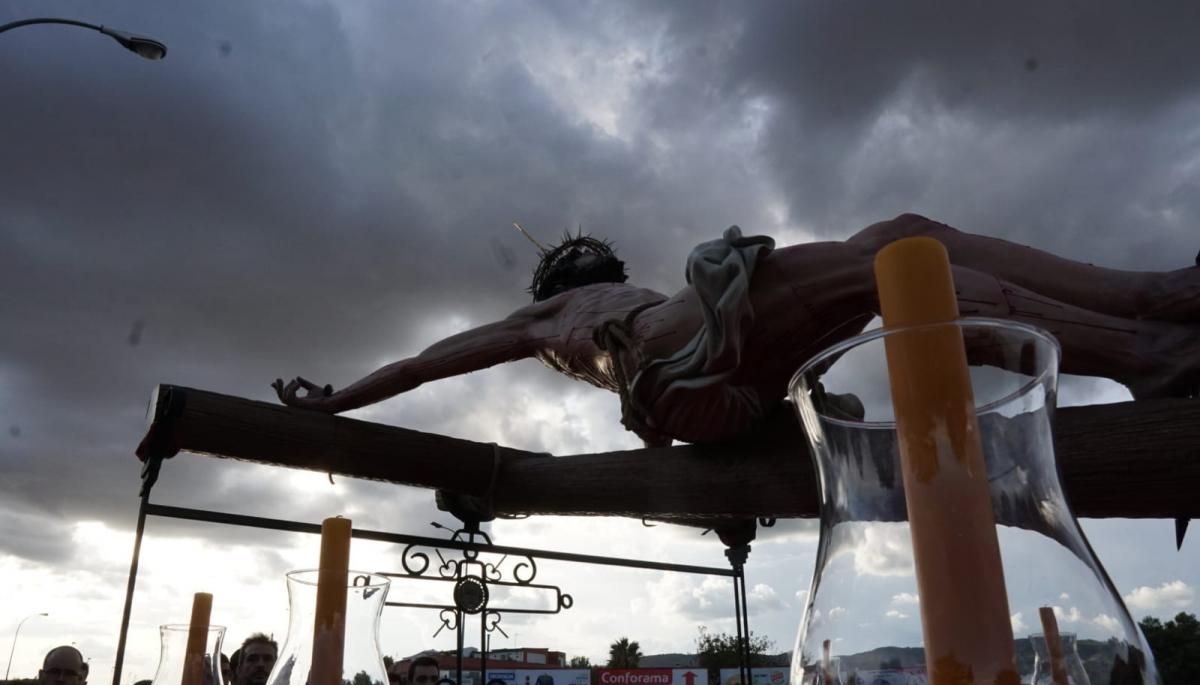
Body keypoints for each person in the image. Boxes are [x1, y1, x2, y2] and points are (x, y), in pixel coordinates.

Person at [275, 213, 1200, 447]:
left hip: (709, 378)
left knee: (903, 259)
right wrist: (340, 402)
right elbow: (429, 361)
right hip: (675, 357)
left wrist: (336, 403)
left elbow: (426, 363)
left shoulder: (573, 317)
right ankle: (1150, 326)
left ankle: (1148, 332)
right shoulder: (550, 314)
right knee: (897, 246)